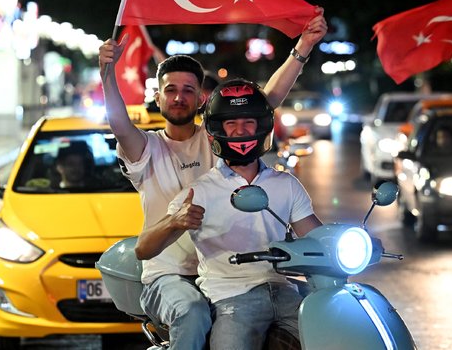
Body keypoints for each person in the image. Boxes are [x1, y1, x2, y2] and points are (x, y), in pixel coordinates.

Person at [98, 8, 327, 350]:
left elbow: (265, 102)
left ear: (202, 98)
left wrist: (303, 47)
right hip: (173, 272)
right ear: (157, 96)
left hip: (232, 272)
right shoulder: (146, 147)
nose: (179, 97)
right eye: (170, 90)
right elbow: (119, 123)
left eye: (188, 90)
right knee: (192, 312)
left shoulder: (217, 137)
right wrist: (107, 74)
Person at [136, 79, 323, 349]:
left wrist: (346, 242)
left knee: (334, 333)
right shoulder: (199, 192)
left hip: (285, 290)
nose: (240, 131)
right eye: (231, 124)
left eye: (247, 122)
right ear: (217, 130)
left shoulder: (286, 184)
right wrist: (173, 222)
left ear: (261, 126)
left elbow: (316, 236)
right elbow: (143, 249)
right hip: (232, 298)